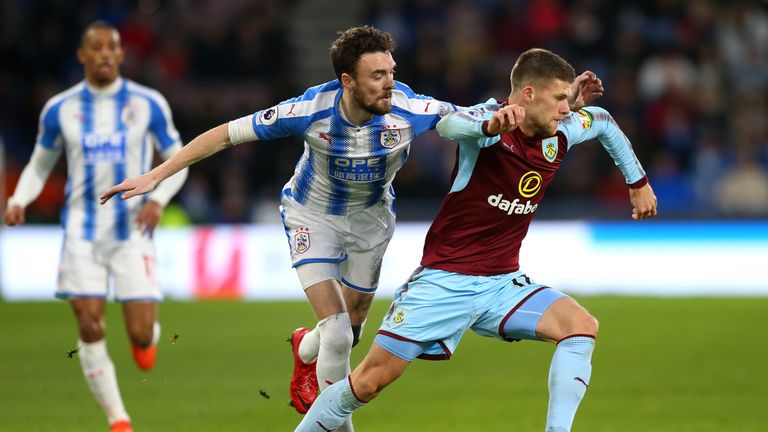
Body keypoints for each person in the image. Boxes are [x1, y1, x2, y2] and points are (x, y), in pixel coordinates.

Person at [100, 26, 601, 430]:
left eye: (391, 71)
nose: (390, 83)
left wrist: (528, 115)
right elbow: (225, 135)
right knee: (339, 332)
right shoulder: (309, 110)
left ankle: (303, 347)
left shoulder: (409, 108)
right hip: (312, 217)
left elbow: (472, 117)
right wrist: (156, 175)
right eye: (377, 75)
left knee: (352, 330)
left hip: (371, 221)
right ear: (347, 80)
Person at [294, 48, 657, 432]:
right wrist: (489, 126)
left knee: (580, 326)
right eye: (560, 99)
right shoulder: (488, 126)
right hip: (444, 283)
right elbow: (451, 126)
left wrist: (638, 182)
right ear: (528, 94)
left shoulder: (560, 131)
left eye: (568, 100)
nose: (567, 109)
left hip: (502, 283)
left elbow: (602, 121)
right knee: (367, 383)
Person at [3, 21, 188, 432]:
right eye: (96, 47)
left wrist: (157, 199)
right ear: (82, 55)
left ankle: (145, 340)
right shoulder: (60, 108)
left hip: (131, 232)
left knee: (140, 335)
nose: (105, 53)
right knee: (88, 324)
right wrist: (18, 199)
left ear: (121, 55)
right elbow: (40, 163)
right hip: (80, 234)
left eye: (112, 47)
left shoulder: (148, 103)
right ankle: (118, 420)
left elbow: (178, 160)